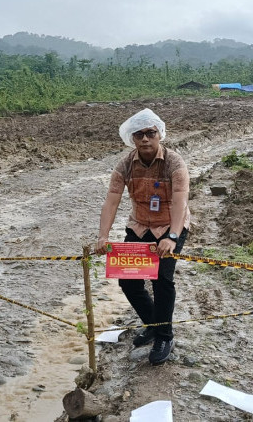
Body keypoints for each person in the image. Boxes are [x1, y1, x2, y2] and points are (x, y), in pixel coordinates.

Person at [96, 108, 190, 365]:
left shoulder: (174, 162)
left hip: (171, 225)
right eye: (140, 135)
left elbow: (181, 202)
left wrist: (171, 237)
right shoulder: (125, 165)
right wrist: (103, 237)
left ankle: (164, 335)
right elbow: (112, 201)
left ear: (159, 135)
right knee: (129, 282)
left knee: (161, 279)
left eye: (151, 133)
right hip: (139, 226)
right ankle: (153, 323)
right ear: (132, 139)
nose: (146, 139)